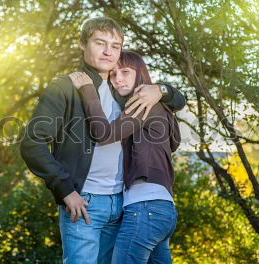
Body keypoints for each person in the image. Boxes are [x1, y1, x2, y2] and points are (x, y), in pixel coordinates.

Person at [20, 17, 185, 264]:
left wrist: (161, 89)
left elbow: (177, 103)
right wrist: (64, 189)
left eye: (115, 46)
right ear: (82, 44)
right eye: (100, 43)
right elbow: (32, 143)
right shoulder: (65, 88)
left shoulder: (124, 90)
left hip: (124, 205)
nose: (108, 51)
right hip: (84, 202)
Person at [69, 50, 180, 264]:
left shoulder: (142, 103)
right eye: (113, 74)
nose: (118, 78)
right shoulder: (161, 107)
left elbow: (104, 135)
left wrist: (87, 91)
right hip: (163, 210)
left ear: (140, 74)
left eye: (125, 72)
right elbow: (173, 143)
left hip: (144, 209)